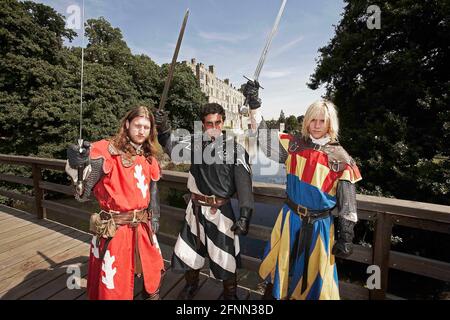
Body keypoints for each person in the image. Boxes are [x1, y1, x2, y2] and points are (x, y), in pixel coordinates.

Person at [243, 81, 362, 300]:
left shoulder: (342, 159)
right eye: (313, 120)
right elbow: (264, 139)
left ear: (330, 124)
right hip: (290, 220)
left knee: (315, 278)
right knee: (280, 270)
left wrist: (345, 236)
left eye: (322, 121)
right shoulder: (294, 145)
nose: (317, 125)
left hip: (320, 226)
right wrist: (255, 105)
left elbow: (348, 205)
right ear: (307, 122)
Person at [155, 103, 254, 300]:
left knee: (225, 256)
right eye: (209, 124)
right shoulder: (195, 144)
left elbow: (244, 185)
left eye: (218, 123)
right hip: (196, 209)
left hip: (220, 212)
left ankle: (230, 294)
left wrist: (245, 215)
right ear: (203, 124)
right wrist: (163, 128)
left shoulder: (236, 150)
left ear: (223, 122)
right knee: (191, 251)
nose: (214, 128)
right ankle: (192, 286)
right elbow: (171, 147)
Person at [65, 106, 164, 300]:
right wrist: (79, 165)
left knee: (153, 272)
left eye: (146, 127)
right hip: (115, 229)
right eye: (137, 125)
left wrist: (156, 215)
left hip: (143, 226)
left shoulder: (149, 155)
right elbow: (82, 195)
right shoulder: (106, 150)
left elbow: (153, 187)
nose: (141, 131)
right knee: (114, 285)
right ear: (127, 124)